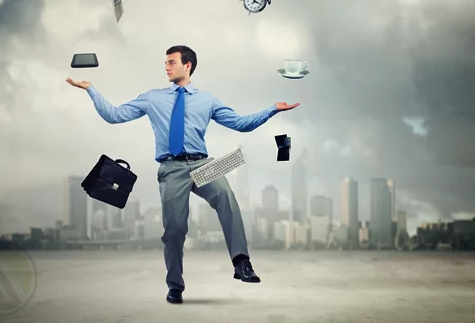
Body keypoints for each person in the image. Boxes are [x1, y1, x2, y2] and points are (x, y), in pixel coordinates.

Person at [66, 45, 300, 304]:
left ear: (187, 65)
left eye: (171, 62)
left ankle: (241, 262)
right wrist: (91, 89)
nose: (166, 67)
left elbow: (240, 124)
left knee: (226, 195)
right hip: (171, 169)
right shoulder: (152, 97)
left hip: (203, 164)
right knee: (175, 229)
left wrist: (272, 110)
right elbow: (114, 116)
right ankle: (175, 285)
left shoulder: (207, 99)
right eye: (165, 63)